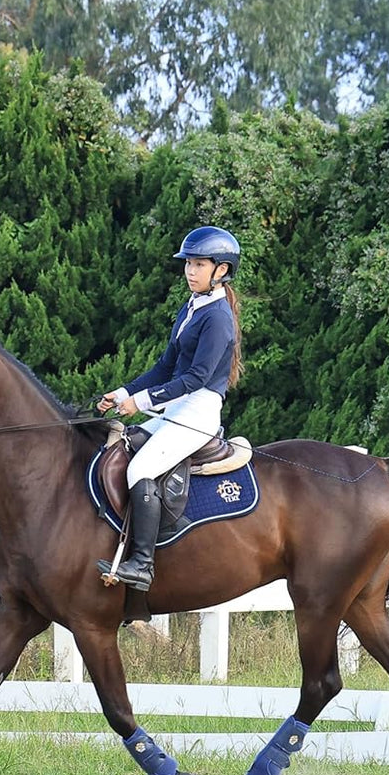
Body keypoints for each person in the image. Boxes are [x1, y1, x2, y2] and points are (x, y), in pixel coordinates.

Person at [95, 225, 244, 590]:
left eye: (198, 264)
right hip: (177, 409)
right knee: (122, 448)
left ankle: (142, 565)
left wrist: (140, 402)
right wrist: (122, 392)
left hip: (198, 413)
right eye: (188, 264)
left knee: (141, 469)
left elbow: (195, 378)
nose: (190, 271)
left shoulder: (218, 318)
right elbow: (165, 367)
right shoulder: (193, 306)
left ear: (220, 270)